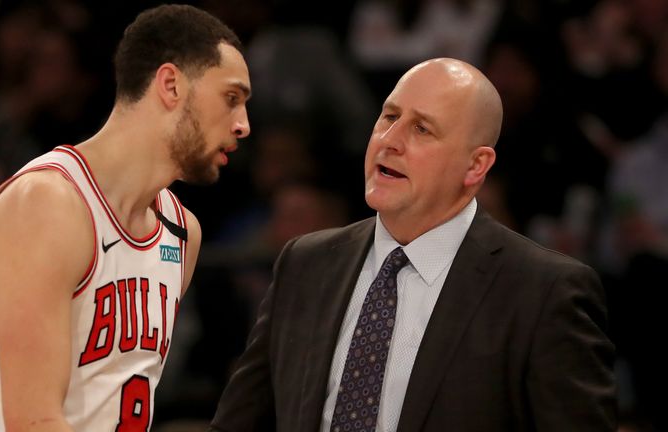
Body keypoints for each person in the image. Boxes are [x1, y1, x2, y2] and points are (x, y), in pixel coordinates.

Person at [210, 58, 615, 432]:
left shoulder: (544, 292)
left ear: (475, 166)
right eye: (389, 116)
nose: (390, 140)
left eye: (421, 128)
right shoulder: (305, 263)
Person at [0, 4, 251, 431]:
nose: (243, 125)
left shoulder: (182, 232)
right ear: (171, 85)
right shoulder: (48, 205)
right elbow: (34, 422)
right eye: (231, 99)